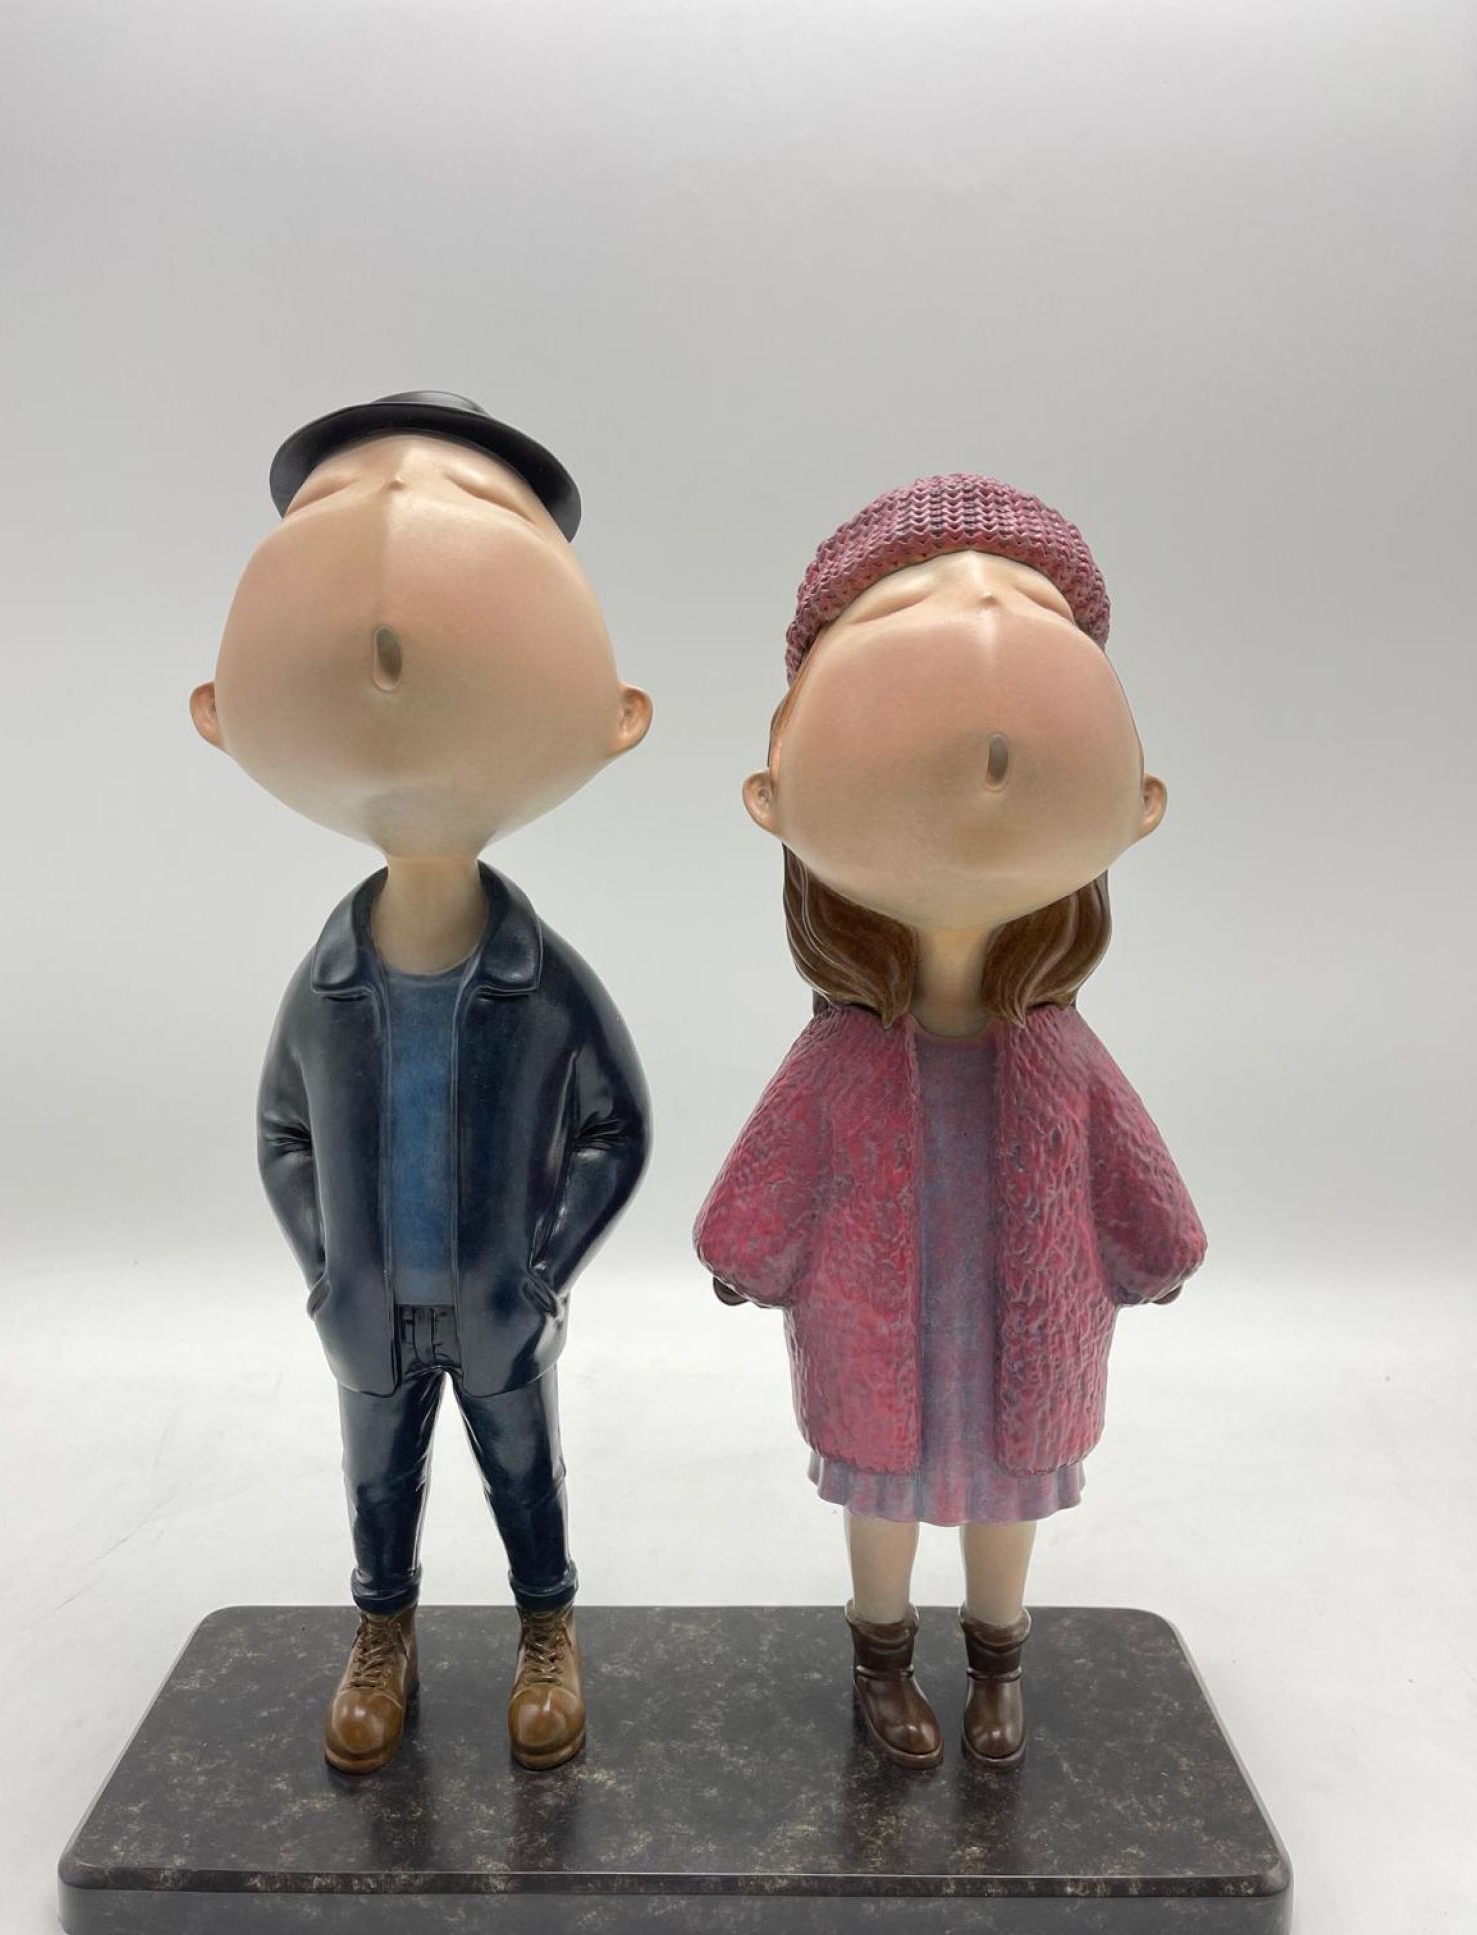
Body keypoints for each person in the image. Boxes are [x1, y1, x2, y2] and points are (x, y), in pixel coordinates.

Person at [693, 473, 1205, 1771]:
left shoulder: (1061, 1053)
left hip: (1026, 1326)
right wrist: (744, 1248)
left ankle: (995, 1663)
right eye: (908, 611)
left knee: (1004, 1503)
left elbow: (1128, 1162)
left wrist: (1158, 1247)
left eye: (1029, 614)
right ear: (776, 791)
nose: (978, 632)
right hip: (878, 1322)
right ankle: (881, 1660)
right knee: (878, 1496)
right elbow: (778, 1156)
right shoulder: (844, 1054)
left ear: (1137, 802)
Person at [189, 392, 652, 1774]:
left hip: (501, 1302)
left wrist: (546, 1265)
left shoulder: (542, 980)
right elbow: (282, 1129)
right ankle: (379, 1632)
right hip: (371, 1308)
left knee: (524, 1475)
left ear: (619, 716)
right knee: (378, 1484)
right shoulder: (330, 982)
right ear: (217, 714)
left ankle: (546, 1630)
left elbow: (618, 1129)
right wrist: (328, 1257)